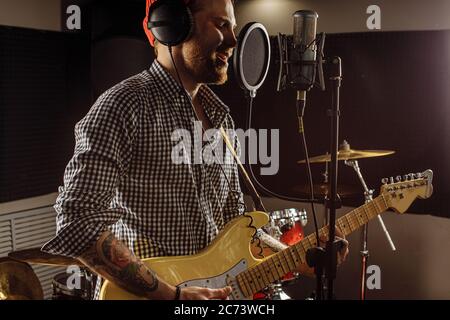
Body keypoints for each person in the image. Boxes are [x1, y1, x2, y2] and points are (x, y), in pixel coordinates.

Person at [42, 0, 348, 300]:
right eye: (221, 24)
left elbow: (237, 224)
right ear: (173, 25)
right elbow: (76, 220)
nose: (232, 40)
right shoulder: (123, 106)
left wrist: (299, 257)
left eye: (233, 27)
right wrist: (172, 295)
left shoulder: (222, 121)